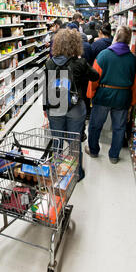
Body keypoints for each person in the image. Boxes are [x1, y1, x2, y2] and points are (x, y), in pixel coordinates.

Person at [43, 28, 99, 180]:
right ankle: (77, 174)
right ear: (76, 45)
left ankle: (56, 172)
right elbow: (95, 76)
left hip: (55, 107)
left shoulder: (49, 63)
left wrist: (45, 108)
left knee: (57, 141)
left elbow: (46, 87)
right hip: (75, 107)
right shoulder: (80, 62)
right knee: (74, 143)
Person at [85, 26, 136, 164]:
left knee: (95, 125)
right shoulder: (133, 60)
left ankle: (93, 150)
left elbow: (94, 78)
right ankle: (114, 155)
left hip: (103, 95)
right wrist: (132, 102)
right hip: (123, 97)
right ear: (128, 41)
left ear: (115, 37)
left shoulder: (104, 55)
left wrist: (90, 94)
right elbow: (135, 85)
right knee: (119, 127)